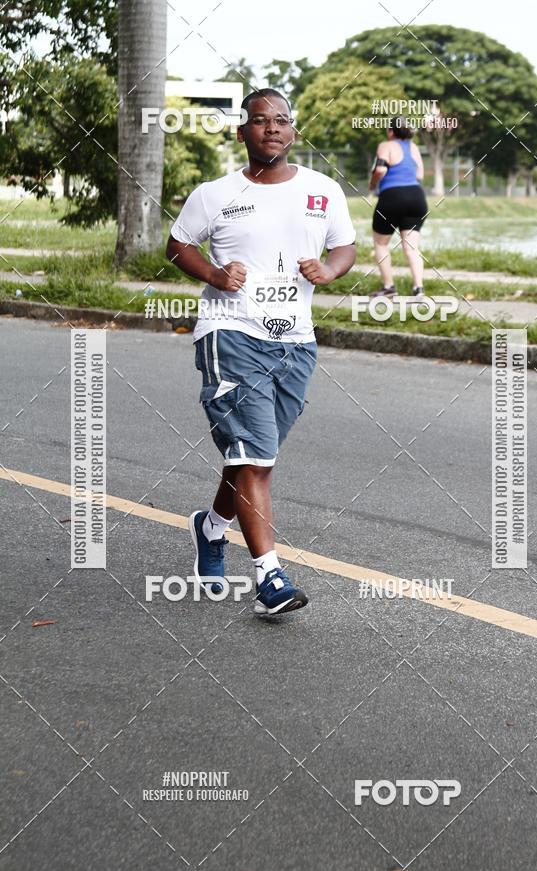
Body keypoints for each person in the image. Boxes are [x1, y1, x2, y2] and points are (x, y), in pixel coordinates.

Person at [166, 88, 356, 617]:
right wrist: (213, 273)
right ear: (242, 132)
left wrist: (331, 269)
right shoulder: (214, 193)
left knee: (254, 453)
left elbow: (345, 246)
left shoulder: (323, 190)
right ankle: (269, 579)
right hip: (230, 332)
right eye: (259, 120)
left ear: (292, 131)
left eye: (281, 120)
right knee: (256, 454)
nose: (271, 128)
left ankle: (212, 527)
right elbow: (178, 244)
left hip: (296, 340)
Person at [368, 117, 428, 297]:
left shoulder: (386, 145)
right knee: (412, 248)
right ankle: (418, 288)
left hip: (392, 197)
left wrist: (372, 184)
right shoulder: (414, 147)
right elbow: (420, 174)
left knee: (380, 244)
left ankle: (389, 287)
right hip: (416, 197)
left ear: (391, 131)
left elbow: (380, 170)